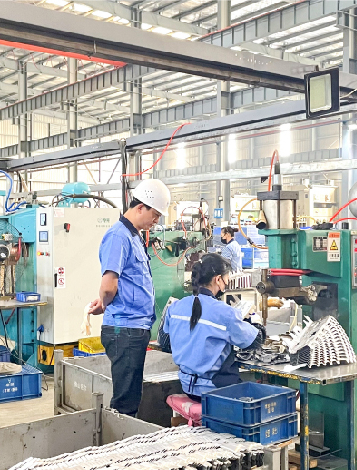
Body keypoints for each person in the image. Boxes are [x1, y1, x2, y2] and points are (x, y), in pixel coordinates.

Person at [88, 179, 172, 418]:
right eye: (155, 215)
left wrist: (105, 303)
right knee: (125, 401)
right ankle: (120, 437)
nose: (156, 221)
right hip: (125, 329)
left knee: (131, 393)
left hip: (132, 327)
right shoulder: (119, 236)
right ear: (140, 207)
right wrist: (105, 302)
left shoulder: (133, 236)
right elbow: (109, 285)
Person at [159, 254, 265, 401]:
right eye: (227, 279)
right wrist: (255, 320)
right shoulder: (225, 313)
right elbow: (256, 340)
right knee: (259, 398)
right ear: (218, 279)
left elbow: (165, 343)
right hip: (215, 390)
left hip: (187, 386)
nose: (227, 283)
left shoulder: (175, 307)